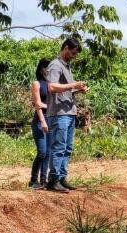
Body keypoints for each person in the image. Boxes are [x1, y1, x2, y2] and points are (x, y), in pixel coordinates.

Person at [46, 38, 88, 193]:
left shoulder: (66, 67)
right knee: (59, 147)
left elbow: (64, 90)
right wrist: (73, 85)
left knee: (67, 148)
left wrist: (77, 89)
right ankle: (53, 180)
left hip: (69, 112)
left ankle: (62, 178)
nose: (74, 56)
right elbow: (52, 87)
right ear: (65, 48)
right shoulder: (55, 65)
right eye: (73, 52)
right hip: (59, 114)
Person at [29, 58, 51, 189]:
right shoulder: (36, 83)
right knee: (42, 152)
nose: (49, 70)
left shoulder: (51, 84)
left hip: (51, 119)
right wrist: (43, 121)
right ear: (42, 69)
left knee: (48, 152)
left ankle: (43, 180)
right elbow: (37, 105)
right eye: (47, 68)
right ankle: (33, 181)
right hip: (40, 120)